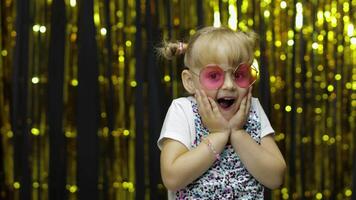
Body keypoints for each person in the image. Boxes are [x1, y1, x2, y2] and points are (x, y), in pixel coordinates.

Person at [157, 26, 286, 199]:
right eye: (213, 76)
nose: (229, 85)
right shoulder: (183, 111)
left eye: (239, 75)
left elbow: (275, 177)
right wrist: (218, 135)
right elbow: (172, 178)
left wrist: (238, 133)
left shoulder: (252, 108)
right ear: (190, 82)